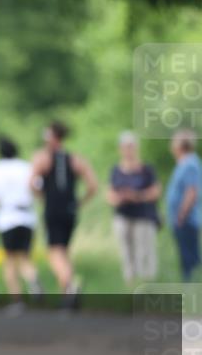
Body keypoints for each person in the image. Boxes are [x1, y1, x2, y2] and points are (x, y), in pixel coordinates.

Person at [30, 120, 97, 308]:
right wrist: (79, 202)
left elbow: (31, 182)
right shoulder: (75, 159)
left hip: (53, 209)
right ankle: (66, 297)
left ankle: (70, 286)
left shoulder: (43, 158)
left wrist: (43, 197)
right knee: (64, 252)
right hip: (70, 210)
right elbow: (92, 185)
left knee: (54, 252)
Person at [0, 136, 41, 314]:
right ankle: (33, 281)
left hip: (7, 217)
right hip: (27, 216)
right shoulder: (26, 167)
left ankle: (16, 300)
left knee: (9, 260)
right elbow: (37, 189)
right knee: (24, 256)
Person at [107, 132, 161, 284]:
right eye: (125, 147)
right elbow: (110, 194)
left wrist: (137, 196)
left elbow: (156, 191)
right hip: (123, 215)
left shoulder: (146, 169)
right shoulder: (116, 170)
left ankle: (147, 281)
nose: (128, 150)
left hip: (143, 215)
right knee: (126, 250)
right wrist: (120, 198)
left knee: (144, 250)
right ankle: (130, 282)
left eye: (131, 146)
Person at [166, 129, 201, 281]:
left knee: (190, 255)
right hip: (182, 218)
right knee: (186, 252)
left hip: (186, 219)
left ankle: (190, 284)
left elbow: (191, 192)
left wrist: (181, 215)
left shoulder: (190, 164)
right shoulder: (185, 163)